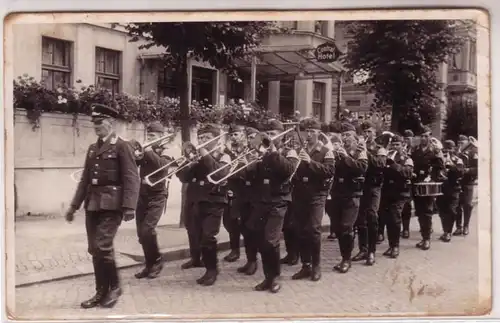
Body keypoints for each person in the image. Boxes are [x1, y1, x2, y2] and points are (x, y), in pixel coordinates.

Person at [65, 104, 140, 309]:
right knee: (95, 249)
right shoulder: (92, 148)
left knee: (102, 246)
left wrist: (129, 207)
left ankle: (114, 287)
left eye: (100, 123)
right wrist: (73, 206)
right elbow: (85, 180)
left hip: (112, 204)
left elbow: (131, 178)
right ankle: (101, 291)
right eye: (95, 123)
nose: (96, 126)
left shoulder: (122, 146)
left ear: (111, 123)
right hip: (93, 204)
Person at [175, 123, 231, 286]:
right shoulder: (195, 156)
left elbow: (220, 173)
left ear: (216, 139)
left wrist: (205, 154)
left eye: (207, 138)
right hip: (195, 199)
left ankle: (212, 270)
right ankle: (196, 259)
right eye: (200, 137)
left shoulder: (223, 155)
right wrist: (188, 163)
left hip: (214, 201)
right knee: (194, 233)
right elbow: (183, 177)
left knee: (208, 237)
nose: (202, 140)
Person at [247, 119, 297, 293]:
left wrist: (273, 152)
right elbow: (250, 175)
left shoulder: (289, 151)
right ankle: (268, 278)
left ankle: (275, 277)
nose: (270, 137)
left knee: (271, 239)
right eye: (267, 134)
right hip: (261, 201)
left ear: (281, 136)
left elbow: (288, 170)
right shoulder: (261, 152)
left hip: (279, 200)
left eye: (274, 134)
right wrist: (252, 159)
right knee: (261, 240)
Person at [290, 118, 335, 281]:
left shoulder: (325, 151)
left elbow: (329, 171)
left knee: (314, 229)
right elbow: (292, 172)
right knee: (300, 229)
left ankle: (316, 266)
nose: (309, 134)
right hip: (300, 193)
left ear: (318, 133)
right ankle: (306, 265)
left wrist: (310, 162)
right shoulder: (299, 149)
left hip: (317, 193)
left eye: (312, 131)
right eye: (307, 131)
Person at [133, 121, 173, 279]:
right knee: (141, 234)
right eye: (148, 135)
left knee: (147, 230)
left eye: (152, 135)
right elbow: (134, 163)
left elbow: (163, 166)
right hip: (142, 194)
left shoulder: (168, 149)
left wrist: (148, 151)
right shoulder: (146, 149)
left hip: (158, 195)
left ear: (161, 136)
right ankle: (149, 265)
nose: (148, 138)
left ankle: (157, 260)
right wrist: (136, 155)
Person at [327, 122, 368, 273]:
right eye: (343, 135)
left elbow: (361, 169)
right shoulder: (336, 151)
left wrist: (345, 157)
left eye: (348, 135)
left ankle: (346, 259)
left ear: (355, 137)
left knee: (346, 227)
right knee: (338, 228)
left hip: (352, 194)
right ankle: (345, 256)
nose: (345, 138)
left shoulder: (360, 151)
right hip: (337, 193)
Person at [352, 121, 387, 266]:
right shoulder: (358, 148)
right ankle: (363, 249)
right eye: (364, 132)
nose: (366, 135)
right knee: (360, 219)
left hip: (373, 187)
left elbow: (380, 165)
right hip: (361, 187)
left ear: (375, 133)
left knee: (372, 216)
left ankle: (371, 252)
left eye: (369, 132)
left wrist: (365, 152)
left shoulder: (380, 149)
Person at [411, 126, 446, 250]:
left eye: (426, 136)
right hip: (416, 184)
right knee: (419, 212)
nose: (424, 138)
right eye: (422, 136)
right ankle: (423, 236)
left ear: (430, 137)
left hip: (428, 186)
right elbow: (412, 165)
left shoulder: (434, 151)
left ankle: (426, 239)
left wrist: (439, 155)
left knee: (427, 212)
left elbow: (441, 167)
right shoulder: (415, 151)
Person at [379, 135, 414, 258]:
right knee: (388, 219)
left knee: (395, 218)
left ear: (402, 145)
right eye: (393, 144)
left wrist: (393, 164)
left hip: (400, 193)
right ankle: (391, 245)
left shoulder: (406, 158)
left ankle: (395, 246)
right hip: (387, 192)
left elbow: (407, 173)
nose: (394, 147)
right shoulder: (387, 156)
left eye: (397, 145)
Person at [236, 126, 260, 275]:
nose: (251, 140)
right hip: (243, 195)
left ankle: (255, 261)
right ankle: (250, 259)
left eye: (253, 137)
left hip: (257, 196)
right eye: (249, 137)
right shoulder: (246, 152)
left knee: (254, 230)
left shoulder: (262, 154)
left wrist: (246, 165)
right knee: (244, 229)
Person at [221, 124, 247, 262]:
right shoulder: (226, 151)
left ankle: (245, 250)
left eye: (236, 134)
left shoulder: (247, 150)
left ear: (243, 135)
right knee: (228, 221)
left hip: (243, 190)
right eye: (231, 135)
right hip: (229, 189)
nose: (233, 137)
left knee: (242, 223)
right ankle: (234, 250)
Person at [436, 140, 465, 242]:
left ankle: (448, 232)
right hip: (442, 188)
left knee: (451, 210)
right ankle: (445, 231)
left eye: (450, 148)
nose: (448, 151)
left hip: (454, 189)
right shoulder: (440, 159)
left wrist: (451, 164)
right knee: (442, 211)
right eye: (446, 148)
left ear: (454, 149)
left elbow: (460, 173)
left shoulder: (458, 160)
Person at [454, 135, 478, 236]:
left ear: (467, 142)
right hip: (457, 182)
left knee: (467, 204)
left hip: (468, 181)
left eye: (462, 143)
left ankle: (466, 226)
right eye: (458, 143)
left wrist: (468, 170)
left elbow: (478, 168)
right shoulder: (456, 153)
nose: (460, 145)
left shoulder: (473, 153)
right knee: (457, 205)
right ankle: (458, 227)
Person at [401, 129, 415, 238]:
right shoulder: (402, 150)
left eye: (408, 139)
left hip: (416, 178)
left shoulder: (415, 149)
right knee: (406, 205)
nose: (406, 141)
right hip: (407, 180)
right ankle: (406, 229)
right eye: (405, 138)